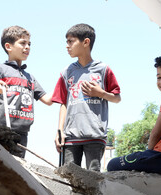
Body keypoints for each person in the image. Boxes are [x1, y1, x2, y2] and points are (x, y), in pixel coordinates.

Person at [52, 23, 121, 171]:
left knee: (93, 179)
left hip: (95, 136)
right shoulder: (66, 72)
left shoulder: (103, 69)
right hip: (70, 137)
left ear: (86, 42)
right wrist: (60, 131)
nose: (67, 46)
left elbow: (117, 98)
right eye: (67, 42)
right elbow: (63, 103)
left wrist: (100, 93)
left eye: (71, 41)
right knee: (69, 179)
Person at [0, 25, 52, 158]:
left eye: (29, 44)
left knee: (17, 169)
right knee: (0, 166)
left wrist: (65, 84)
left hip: (22, 133)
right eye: (23, 43)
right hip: (0, 130)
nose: (27, 47)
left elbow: (48, 100)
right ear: (8, 46)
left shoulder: (30, 77)